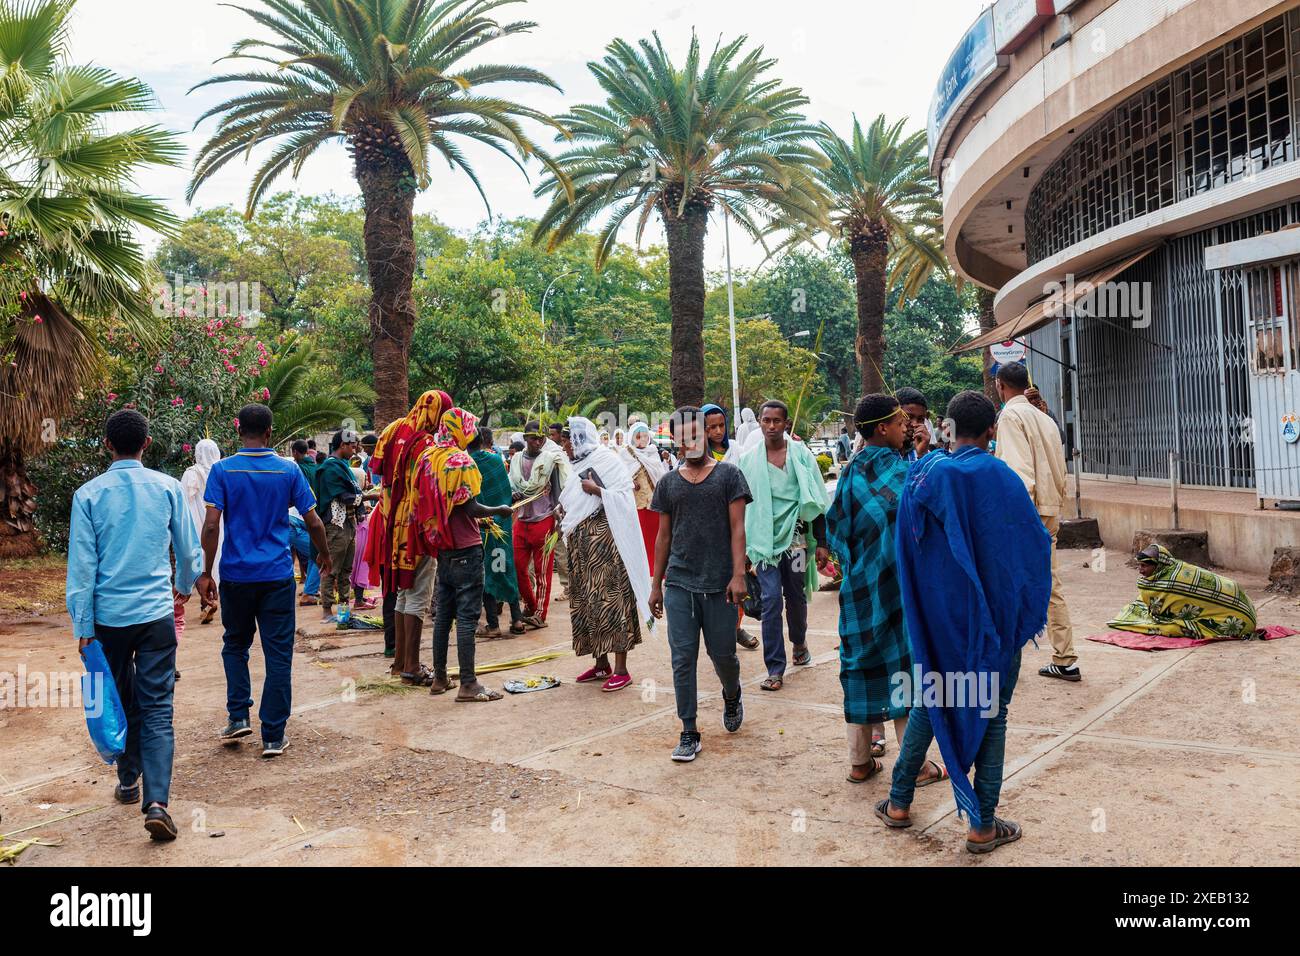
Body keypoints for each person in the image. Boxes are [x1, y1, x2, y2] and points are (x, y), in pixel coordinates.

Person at [874, 391, 1051, 854]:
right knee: (992, 711)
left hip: (941, 622)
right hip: (993, 625)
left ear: (948, 429)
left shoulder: (925, 475)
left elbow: (906, 552)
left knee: (932, 702)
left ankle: (898, 802)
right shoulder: (1004, 478)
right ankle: (982, 825)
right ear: (992, 430)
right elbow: (1032, 550)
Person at [67, 410, 200, 842]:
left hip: (109, 620)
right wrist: (183, 588)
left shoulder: (88, 495)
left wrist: (83, 625)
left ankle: (128, 780)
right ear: (146, 443)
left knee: (121, 697)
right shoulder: (167, 488)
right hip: (156, 615)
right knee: (158, 705)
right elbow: (187, 545)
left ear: (108, 445)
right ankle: (157, 801)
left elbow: (83, 568)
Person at [197, 404, 330, 758]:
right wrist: (324, 554)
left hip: (237, 576)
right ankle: (273, 735)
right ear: (270, 432)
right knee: (277, 654)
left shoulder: (222, 471)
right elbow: (313, 521)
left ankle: (238, 713)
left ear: (239, 430)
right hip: (276, 576)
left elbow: (211, 526)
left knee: (235, 646)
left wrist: (206, 571)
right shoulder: (288, 471)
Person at [828, 395, 945, 787]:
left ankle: (860, 763)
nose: (906, 428)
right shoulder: (900, 473)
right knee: (902, 670)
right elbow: (919, 523)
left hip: (858, 588)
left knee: (859, 663)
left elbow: (835, 529)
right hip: (896, 590)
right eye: (900, 422)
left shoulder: (849, 472)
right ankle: (917, 766)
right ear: (882, 428)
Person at [649, 406, 751, 762]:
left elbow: (738, 529)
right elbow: (663, 537)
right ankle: (689, 731)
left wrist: (739, 575)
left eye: (695, 435)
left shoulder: (729, 476)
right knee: (682, 658)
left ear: (705, 434)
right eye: (682, 437)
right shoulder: (668, 483)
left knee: (722, 653)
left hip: (720, 583)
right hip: (679, 581)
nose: (689, 442)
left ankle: (732, 692)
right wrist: (655, 584)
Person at [411, 408, 513, 700]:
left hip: (442, 545)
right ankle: (468, 684)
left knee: (444, 615)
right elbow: (470, 508)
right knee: (467, 618)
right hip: (466, 548)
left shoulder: (427, 457)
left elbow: (440, 504)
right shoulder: (460, 461)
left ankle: (440, 679)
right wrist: (498, 511)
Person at [736, 400, 830, 691]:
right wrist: (742, 552)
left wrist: (823, 542)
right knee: (771, 600)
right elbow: (740, 507)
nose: (772, 426)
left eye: (777, 421)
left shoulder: (801, 456)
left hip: (797, 541)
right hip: (763, 545)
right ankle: (775, 667)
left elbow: (817, 500)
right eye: (767, 420)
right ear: (761, 423)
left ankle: (799, 642)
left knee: (796, 594)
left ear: (786, 424)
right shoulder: (749, 461)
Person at [994, 362, 1079, 682]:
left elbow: (1019, 474)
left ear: (1001, 385)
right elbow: (1059, 467)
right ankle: (1065, 656)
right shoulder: (1044, 419)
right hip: (1050, 509)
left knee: (1006, 584)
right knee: (1050, 585)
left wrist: (1016, 520)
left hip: (1025, 513)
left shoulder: (1010, 417)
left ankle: (1003, 657)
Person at [364, 389, 451, 685]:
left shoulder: (393, 429)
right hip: (414, 526)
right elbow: (426, 489)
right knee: (417, 593)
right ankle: (412, 666)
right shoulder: (426, 444)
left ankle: (400, 662)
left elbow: (381, 476)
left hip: (391, 523)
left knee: (401, 592)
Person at [561, 417, 654, 692]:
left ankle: (622, 669)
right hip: (581, 545)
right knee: (587, 601)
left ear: (579, 439)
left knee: (611, 601)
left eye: (568, 441)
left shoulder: (608, 461)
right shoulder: (575, 465)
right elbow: (571, 499)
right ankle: (601, 663)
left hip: (606, 543)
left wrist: (597, 490)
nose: (565, 447)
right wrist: (561, 509)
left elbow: (624, 497)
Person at [701, 402, 760, 651]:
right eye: (710, 427)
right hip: (707, 528)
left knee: (739, 578)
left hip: (737, 523)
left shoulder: (736, 450)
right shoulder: (696, 455)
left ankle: (735, 628)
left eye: (721, 425)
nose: (716, 431)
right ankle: (721, 632)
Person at [1108, 543, 1258, 639]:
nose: (1140, 570)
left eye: (1144, 566)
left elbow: (1164, 613)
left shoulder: (1172, 582)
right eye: (1139, 566)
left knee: (1169, 628)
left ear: (1159, 565)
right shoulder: (1171, 567)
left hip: (1241, 621)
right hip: (1245, 605)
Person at [508, 419, 570, 628]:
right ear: (525, 439)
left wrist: (559, 520)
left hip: (544, 521)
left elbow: (558, 491)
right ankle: (532, 606)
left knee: (543, 572)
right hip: (522, 520)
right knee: (517, 568)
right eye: (533, 438)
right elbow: (510, 483)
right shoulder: (516, 460)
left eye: (540, 438)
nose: (537, 442)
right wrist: (512, 494)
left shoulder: (551, 461)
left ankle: (540, 615)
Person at [469, 426, 524, 637]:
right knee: (506, 567)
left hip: (482, 528)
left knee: (489, 573)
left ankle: (493, 626)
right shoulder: (495, 461)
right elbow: (505, 493)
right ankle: (517, 620)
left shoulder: (466, 465)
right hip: (503, 525)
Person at [314, 428, 363, 622]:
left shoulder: (342, 466)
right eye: (352, 446)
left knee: (346, 569)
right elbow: (344, 496)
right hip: (336, 524)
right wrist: (366, 497)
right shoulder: (331, 468)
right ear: (342, 445)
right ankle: (327, 609)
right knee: (331, 568)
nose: (355, 449)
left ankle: (344, 608)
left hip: (348, 523)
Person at [180, 439, 223, 625]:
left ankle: (205, 603)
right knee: (219, 558)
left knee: (201, 561)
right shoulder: (222, 471)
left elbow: (184, 501)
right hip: (220, 522)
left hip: (198, 523)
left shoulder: (191, 474)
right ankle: (216, 597)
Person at [620, 421, 667, 567]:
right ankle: (641, 568)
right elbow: (620, 477)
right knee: (639, 538)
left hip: (654, 503)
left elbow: (660, 475)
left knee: (655, 537)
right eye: (638, 437)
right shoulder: (625, 453)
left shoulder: (652, 452)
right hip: (635, 504)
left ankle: (657, 569)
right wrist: (630, 482)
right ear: (632, 438)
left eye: (645, 436)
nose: (642, 440)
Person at [895, 387, 934, 462]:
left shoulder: (924, 454)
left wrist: (923, 455)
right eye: (908, 417)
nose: (914, 424)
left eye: (920, 419)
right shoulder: (878, 456)